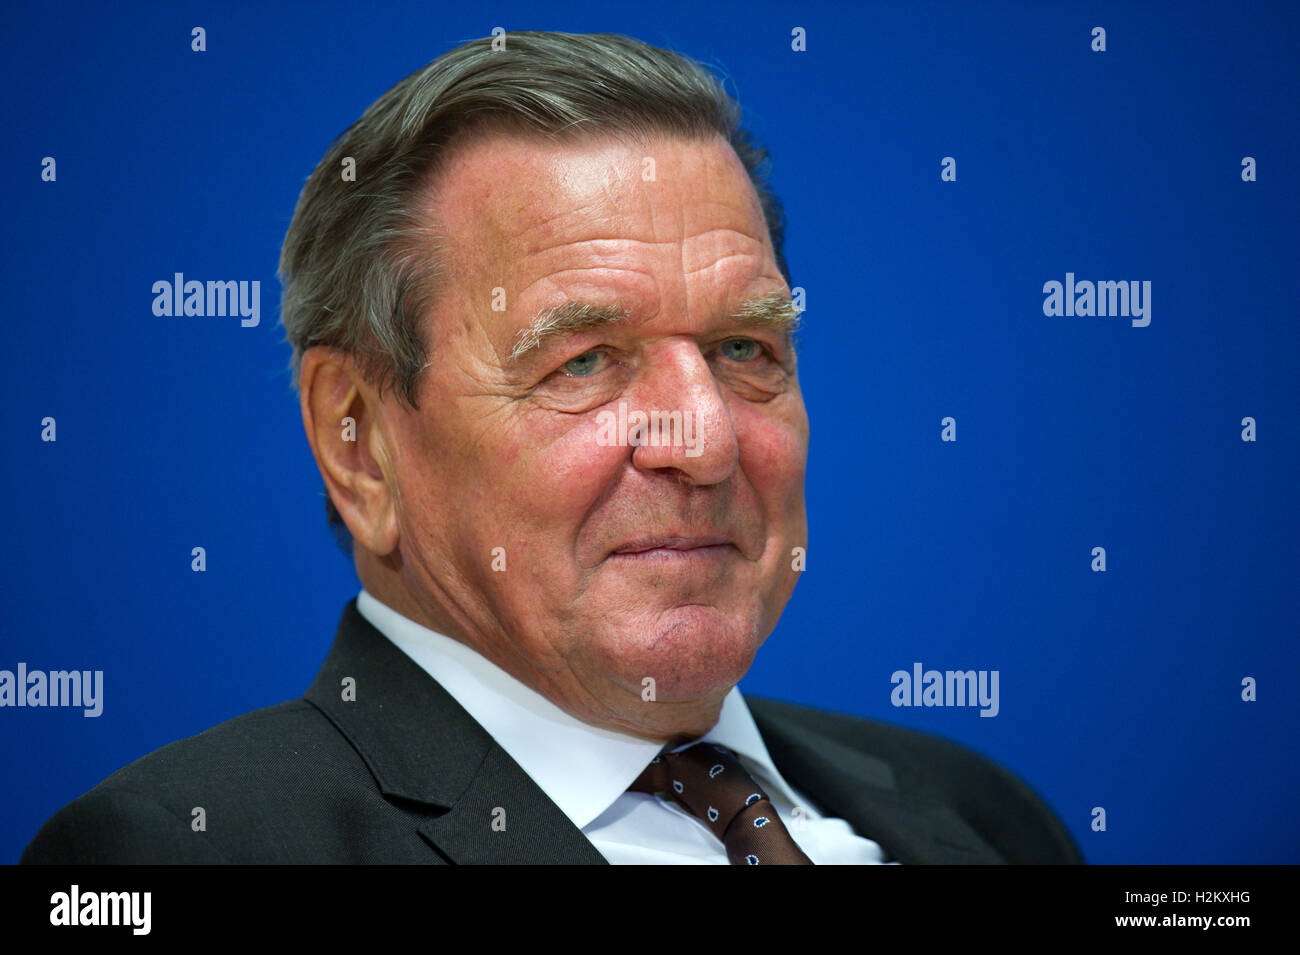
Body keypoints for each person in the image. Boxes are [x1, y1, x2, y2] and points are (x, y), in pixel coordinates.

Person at [22, 30, 1081, 865]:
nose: (703, 440)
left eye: (743, 347)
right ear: (358, 443)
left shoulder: (977, 814)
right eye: (582, 362)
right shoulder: (179, 849)